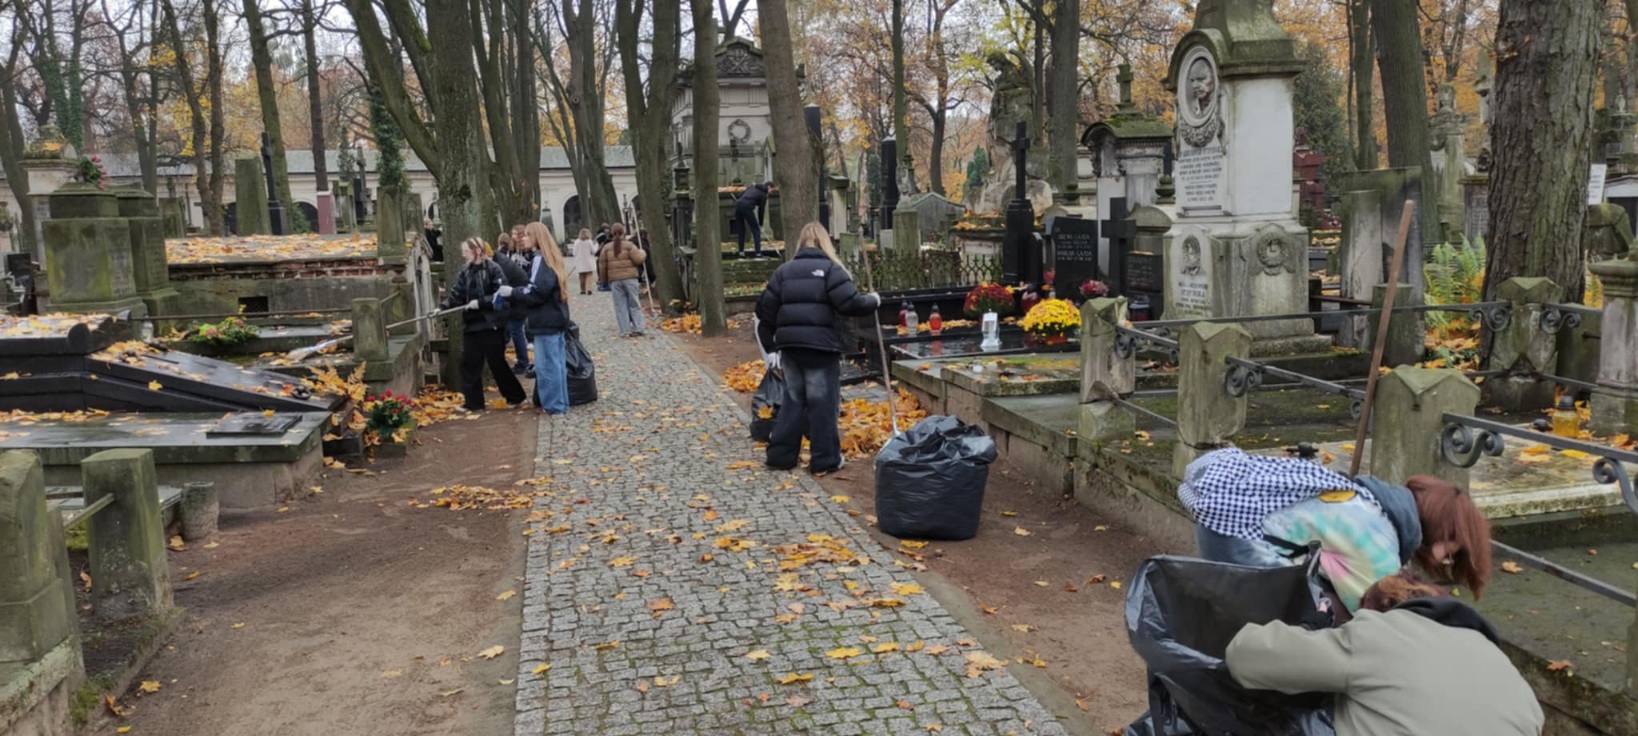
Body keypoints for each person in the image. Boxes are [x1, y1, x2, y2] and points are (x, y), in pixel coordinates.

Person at [1225, 572, 1543, 736]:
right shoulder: (1511, 677)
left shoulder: (1380, 635)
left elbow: (1245, 657)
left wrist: (1312, 629)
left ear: (1378, 610)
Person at [1178, 447, 1492, 612]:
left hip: (1225, 530)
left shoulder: (1366, 500)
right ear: (1441, 528)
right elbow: (1374, 612)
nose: (1448, 558)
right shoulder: (1376, 537)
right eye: (1453, 548)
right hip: (1246, 550)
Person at [754, 222, 881, 474]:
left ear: (801, 243)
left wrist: (771, 349)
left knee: (793, 401)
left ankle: (780, 455)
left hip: (790, 347)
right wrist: (873, 300)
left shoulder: (783, 272)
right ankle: (824, 459)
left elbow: (764, 313)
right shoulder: (831, 270)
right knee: (822, 404)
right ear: (825, 243)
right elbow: (850, 303)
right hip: (821, 348)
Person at [438, 237, 527, 412]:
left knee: (497, 362)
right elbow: (456, 293)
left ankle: (515, 396)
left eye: (466, 251)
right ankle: (473, 402)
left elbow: (500, 296)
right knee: (469, 362)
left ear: (477, 251)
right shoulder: (465, 271)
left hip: (491, 323)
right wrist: (441, 307)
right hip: (472, 323)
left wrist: (481, 302)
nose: (464, 255)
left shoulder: (494, 269)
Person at [509, 222, 571, 414]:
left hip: (545, 320)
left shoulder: (540, 259)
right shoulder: (550, 258)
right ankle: (560, 403)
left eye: (528, 234)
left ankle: (554, 406)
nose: (524, 238)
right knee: (556, 365)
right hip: (555, 318)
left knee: (547, 367)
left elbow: (537, 291)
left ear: (537, 237)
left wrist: (513, 292)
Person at [598, 223, 648, 337]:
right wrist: (643, 253)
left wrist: (604, 280)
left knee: (620, 306)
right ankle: (638, 327)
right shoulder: (630, 246)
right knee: (634, 304)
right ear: (624, 232)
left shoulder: (606, 248)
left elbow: (602, 265)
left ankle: (625, 330)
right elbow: (638, 259)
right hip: (630, 278)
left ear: (612, 233)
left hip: (615, 280)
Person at [498, 230, 533, 374]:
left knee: (516, 330)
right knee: (516, 330)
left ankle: (523, 362)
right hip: (517, 297)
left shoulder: (501, 263)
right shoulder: (505, 258)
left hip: (518, 298)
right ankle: (523, 361)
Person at [734, 181, 772, 258]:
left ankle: (741, 253)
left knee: (741, 230)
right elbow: (761, 210)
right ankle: (758, 253)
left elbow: (739, 195)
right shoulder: (764, 195)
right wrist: (760, 224)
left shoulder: (752, 187)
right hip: (747, 207)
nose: (772, 192)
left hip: (738, 205)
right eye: (772, 190)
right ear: (769, 187)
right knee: (756, 230)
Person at [571, 227, 598, 295]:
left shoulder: (577, 242)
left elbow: (574, 253)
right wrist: (596, 246)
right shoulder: (589, 241)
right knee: (589, 275)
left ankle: (582, 289)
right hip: (589, 262)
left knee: (581, 276)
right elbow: (593, 251)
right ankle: (589, 288)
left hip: (580, 262)